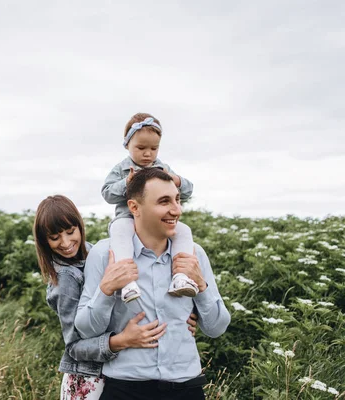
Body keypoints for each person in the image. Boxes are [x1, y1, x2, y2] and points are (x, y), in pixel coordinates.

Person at [76, 168, 231, 400]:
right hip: (125, 389)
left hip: (187, 387)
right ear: (134, 207)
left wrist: (201, 286)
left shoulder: (193, 254)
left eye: (177, 200)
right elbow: (85, 329)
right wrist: (106, 289)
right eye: (164, 201)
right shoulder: (104, 254)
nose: (176, 210)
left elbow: (217, 328)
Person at [34, 195, 199, 400]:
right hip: (88, 379)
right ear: (44, 241)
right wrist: (121, 340)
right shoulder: (66, 278)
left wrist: (184, 315)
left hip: (115, 372)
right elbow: (74, 347)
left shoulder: (94, 253)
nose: (66, 243)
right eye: (55, 237)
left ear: (80, 226)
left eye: (70, 232)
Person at [102, 113, 198, 302]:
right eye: (141, 148)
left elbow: (188, 191)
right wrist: (126, 183)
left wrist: (175, 179)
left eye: (154, 148)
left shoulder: (163, 168)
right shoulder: (120, 169)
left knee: (184, 231)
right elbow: (107, 193)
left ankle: (181, 277)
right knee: (120, 230)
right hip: (128, 218)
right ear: (127, 145)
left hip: (156, 222)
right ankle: (126, 281)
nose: (148, 154)